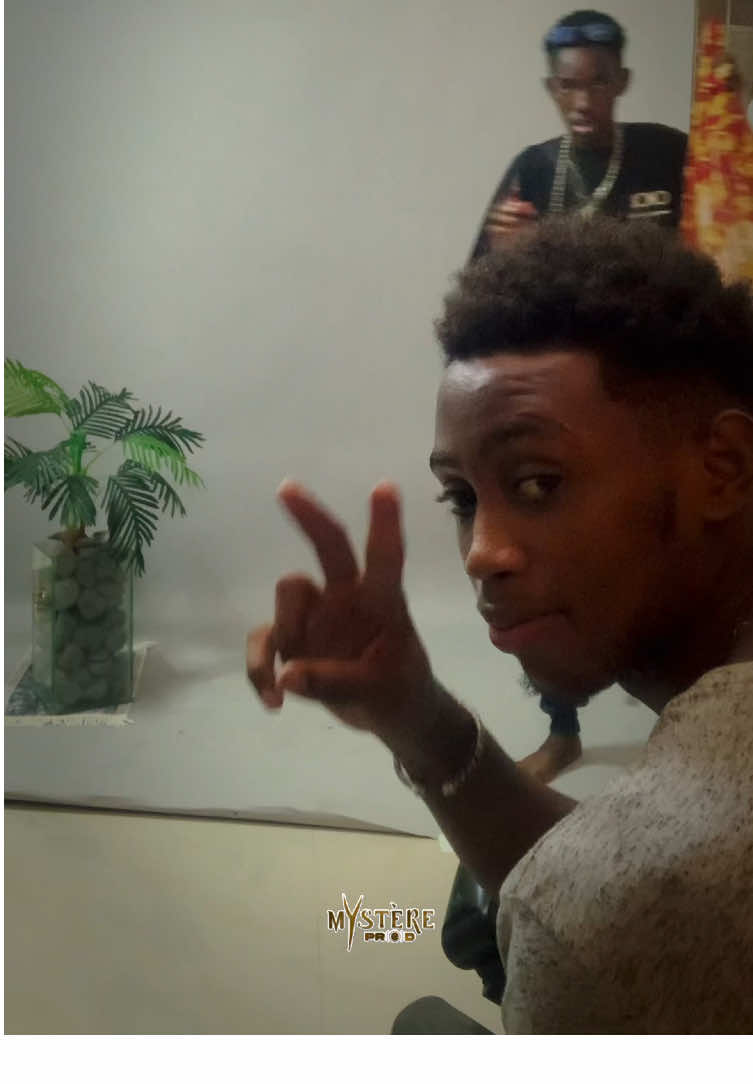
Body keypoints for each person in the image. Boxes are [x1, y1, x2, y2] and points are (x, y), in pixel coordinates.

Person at [247, 216, 753, 1032]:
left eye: (537, 483)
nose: (481, 553)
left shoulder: (593, 917)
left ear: (720, 469)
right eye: (461, 497)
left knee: (421, 1023)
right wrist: (414, 714)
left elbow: (608, 901)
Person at [469, 9, 689, 781]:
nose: (584, 100)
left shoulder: (667, 155)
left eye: (598, 83)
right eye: (569, 86)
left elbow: (721, 242)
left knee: (672, 561)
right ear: (551, 90)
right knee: (548, 566)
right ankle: (560, 726)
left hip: (653, 401)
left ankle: (685, 726)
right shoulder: (532, 171)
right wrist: (503, 254)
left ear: (620, 81)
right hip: (562, 421)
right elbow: (477, 297)